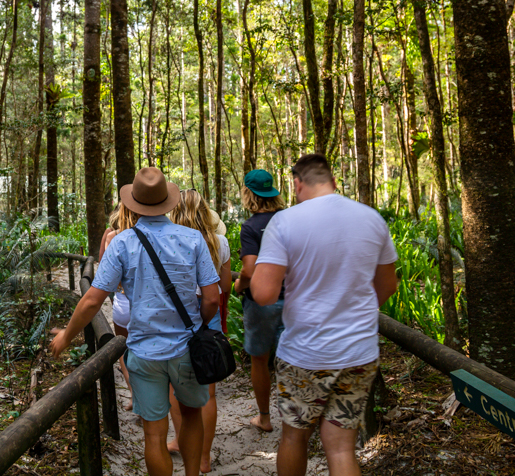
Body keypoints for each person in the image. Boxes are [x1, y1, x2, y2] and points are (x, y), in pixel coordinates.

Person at [50, 167, 220, 476]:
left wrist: (66, 336)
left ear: (133, 204)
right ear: (168, 201)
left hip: (144, 351)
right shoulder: (193, 239)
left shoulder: (122, 243)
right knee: (192, 416)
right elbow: (211, 298)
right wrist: (199, 325)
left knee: (154, 435)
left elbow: (91, 300)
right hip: (186, 348)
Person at [250, 154, 399, 476]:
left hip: (306, 352)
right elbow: (387, 285)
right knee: (343, 447)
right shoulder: (371, 218)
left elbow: (263, 294)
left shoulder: (286, 222)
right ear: (333, 181)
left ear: (297, 183)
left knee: (294, 436)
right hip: (358, 352)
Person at [166, 189, 232, 473]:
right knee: (208, 392)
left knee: (175, 388)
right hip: (210, 314)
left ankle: (183, 442)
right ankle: (204, 458)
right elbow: (224, 287)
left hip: (177, 317)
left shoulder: (168, 241)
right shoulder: (221, 242)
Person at [233, 169, 287, 433]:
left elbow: (250, 270)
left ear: (248, 193)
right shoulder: (290, 220)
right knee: (293, 357)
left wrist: (239, 284)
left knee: (260, 359)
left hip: (261, 302)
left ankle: (265, 417)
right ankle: (297, 416)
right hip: (294, 298)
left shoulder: (251, 226)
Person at [99, 202, 140, 411]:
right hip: (146, 303)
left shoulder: (112, 237)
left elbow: (104, 272)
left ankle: (134, 395)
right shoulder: (149, 234)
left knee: (124, 350)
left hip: (123, 301)